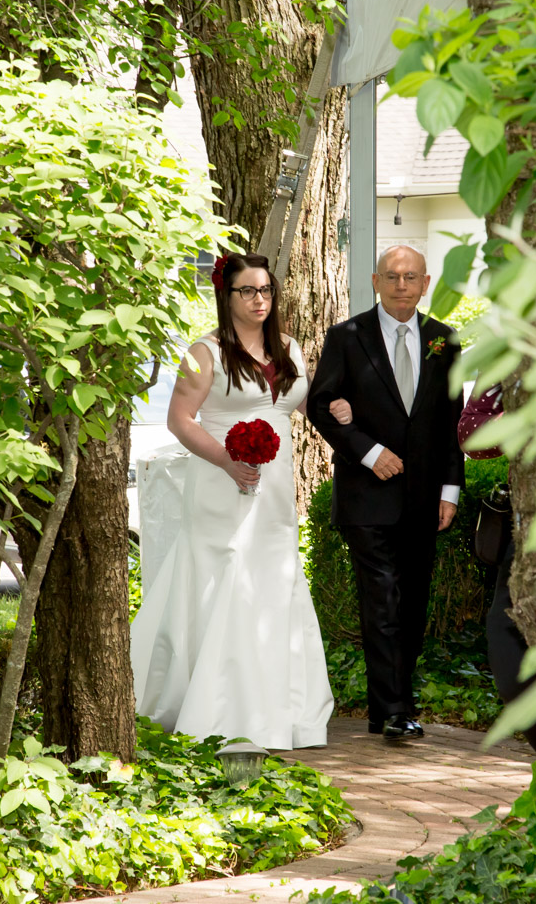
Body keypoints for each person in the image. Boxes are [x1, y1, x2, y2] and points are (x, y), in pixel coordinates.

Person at [128, 253, 333, 751]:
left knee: (275, 580)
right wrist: (226, 460)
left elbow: (303, 404)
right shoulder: (204, 352)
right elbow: (180, 420)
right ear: (227, 295)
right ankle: (215, 705)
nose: (259, 299)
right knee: (224, 578)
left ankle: (281, 709)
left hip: (275, 490)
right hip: (221, 483)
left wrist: (340, 411)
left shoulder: (289, 347)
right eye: (248, 290)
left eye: (266, 290)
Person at [306, 245, 465, 742]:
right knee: (382, 599)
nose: (401, 285)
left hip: (424, 498)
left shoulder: (444, 341)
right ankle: (396, 709)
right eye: (392, 276)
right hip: (367, 496)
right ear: (376, 282)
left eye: (411, 277)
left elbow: (451, 422)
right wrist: (369, 452)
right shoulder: (347, 337)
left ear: (425, 283)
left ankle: (388, 707)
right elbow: (320, 405)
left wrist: (450, 490)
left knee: (412, 604)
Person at [458, 382, 536, 762]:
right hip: (527, 528)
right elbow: (470, 434)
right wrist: (518, 419)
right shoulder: (514, 356)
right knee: (505, 636)